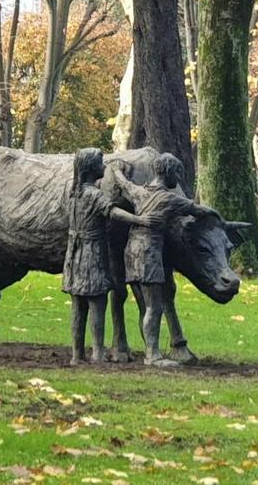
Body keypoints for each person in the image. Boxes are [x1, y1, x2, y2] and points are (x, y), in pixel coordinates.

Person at [111, 153, 218, 367]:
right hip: (149, 251)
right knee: (154, 306)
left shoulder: (138, 192)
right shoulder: (171, 199)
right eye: (177, 173)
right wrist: (218, 217)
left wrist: (116, 169)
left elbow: (123, 183)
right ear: (169, 172)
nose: (178, 179)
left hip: (131, 251)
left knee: (145, 302)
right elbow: (199, 210)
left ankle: (151, 350)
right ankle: (152, 355)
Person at [63, 148, 160, 365]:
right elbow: (113, 212)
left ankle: (77, 355)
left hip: (74, 253)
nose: (103, 166)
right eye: (100, 163)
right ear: (89, 169)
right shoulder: (94, 195)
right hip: (92, 252)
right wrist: (140, 220)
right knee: (97, 302)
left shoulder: (73, 193)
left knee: (78, 304)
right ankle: (97, 352)